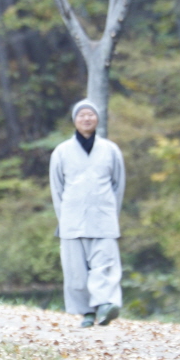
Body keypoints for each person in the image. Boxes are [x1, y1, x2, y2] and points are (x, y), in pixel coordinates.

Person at [49, 99, 125, 328]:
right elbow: (57, 188)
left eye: (91, 114)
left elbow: (118, 185)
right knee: (76, 272)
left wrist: (112, 211)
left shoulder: (111, 150)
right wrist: (63, 218)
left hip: (104, 218)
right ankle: (86, 313)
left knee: (106, 265)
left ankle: (106, 306)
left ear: (97, 119)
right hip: (72, 220)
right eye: (81, 115)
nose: (86, 118)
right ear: (74, 120)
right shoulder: (61, 151)